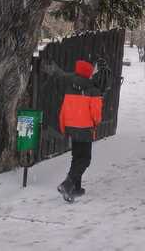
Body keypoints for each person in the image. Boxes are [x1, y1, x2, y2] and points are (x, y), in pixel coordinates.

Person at [57, 59, 103, 203]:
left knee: (77, 157)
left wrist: (63, 126)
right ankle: (67, 184)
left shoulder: (69, 88)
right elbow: (96, 114)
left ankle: (75, 188)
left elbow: (64, 110)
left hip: (72, 128)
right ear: (88, 74)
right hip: (85, 128)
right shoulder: (93, 90)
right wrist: (96, 123)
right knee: (85, 159)